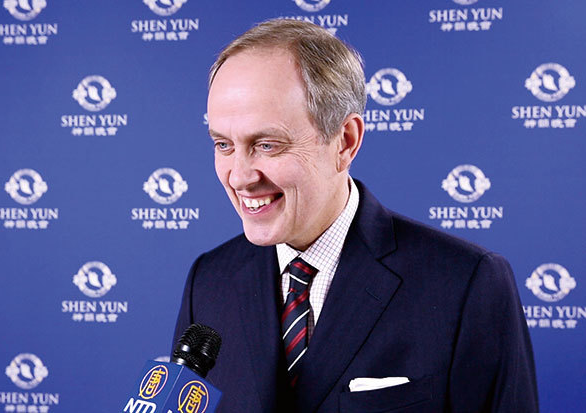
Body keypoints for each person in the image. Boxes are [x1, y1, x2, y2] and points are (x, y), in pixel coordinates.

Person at [173, 19, 538, 412]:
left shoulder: (467, 284)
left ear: (345, 142)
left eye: (267, 145)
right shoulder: (209, 281)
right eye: (223, 145)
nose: (240, 177)